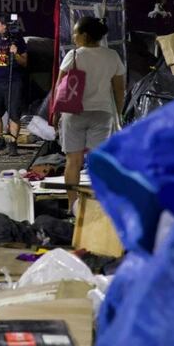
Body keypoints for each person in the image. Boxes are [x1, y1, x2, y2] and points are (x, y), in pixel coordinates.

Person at [54, 16, 125, 208]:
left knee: (73, 161)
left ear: (85, 35)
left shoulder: (74, 55)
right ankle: (95, 206)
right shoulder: (112, 56)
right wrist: (118, 112)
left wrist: (55, 112)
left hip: (74, 113)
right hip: (102, 114)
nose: (73, 36)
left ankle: (72, 205)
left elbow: (60, 86)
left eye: (75, 33)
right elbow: (119, 88)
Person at [0, 16, 28, 156]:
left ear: (4, 25)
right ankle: (0, 140)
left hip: (14, 81)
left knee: (14, 114)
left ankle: (12, 143)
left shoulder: (18, 40)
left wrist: (15, 54)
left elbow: (24, 62)